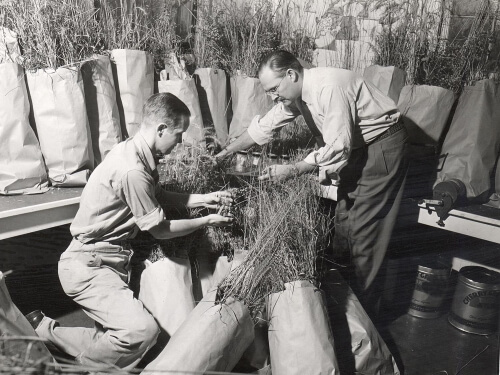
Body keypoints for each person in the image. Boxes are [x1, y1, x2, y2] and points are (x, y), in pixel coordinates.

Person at [27, 93, 234, 369]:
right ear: (160, 129)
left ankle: (43, 330)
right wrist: (207, 221)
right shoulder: (132, 170)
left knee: (112, 340)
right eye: (178, 134)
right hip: (88, 266)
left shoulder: (135, 151)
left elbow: (157, 194)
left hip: (109, 260)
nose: (181, 142)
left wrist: (206, 198)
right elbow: (160, 230)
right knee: (142, 331)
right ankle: (80, 369)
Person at [216, 50, 409, 317]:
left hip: (381, 146)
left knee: (365, 234)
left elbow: (337, 147)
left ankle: (366, 319)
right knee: (343, 225)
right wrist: (227, 152)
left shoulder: (328, 88)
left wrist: (294, 169)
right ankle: (347, 308)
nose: (272, 96)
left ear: (292, 75)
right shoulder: (296, 93)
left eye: (274, 89)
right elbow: (266, 125)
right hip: (357, 149)